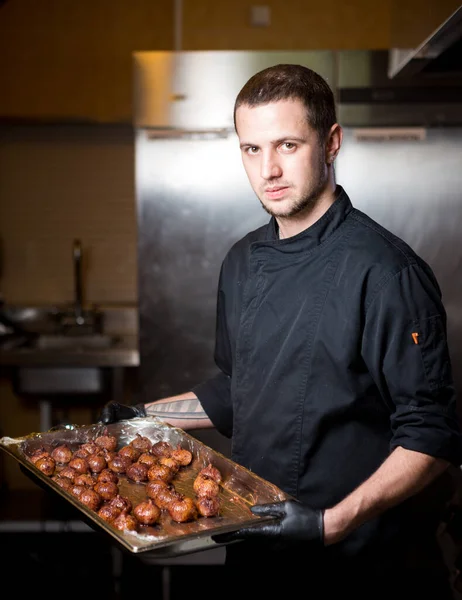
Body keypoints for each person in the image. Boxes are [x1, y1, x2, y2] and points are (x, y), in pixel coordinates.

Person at [100, 64, 462, 599]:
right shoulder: (243, 261)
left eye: (287, 144)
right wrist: (145, 418)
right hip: (257, 546)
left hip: (362, 564)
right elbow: (240, 387)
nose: (268, 168)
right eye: (251, 149)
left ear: (331, 142)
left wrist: (330, 523)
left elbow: (432, 434)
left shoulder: (386, 272)